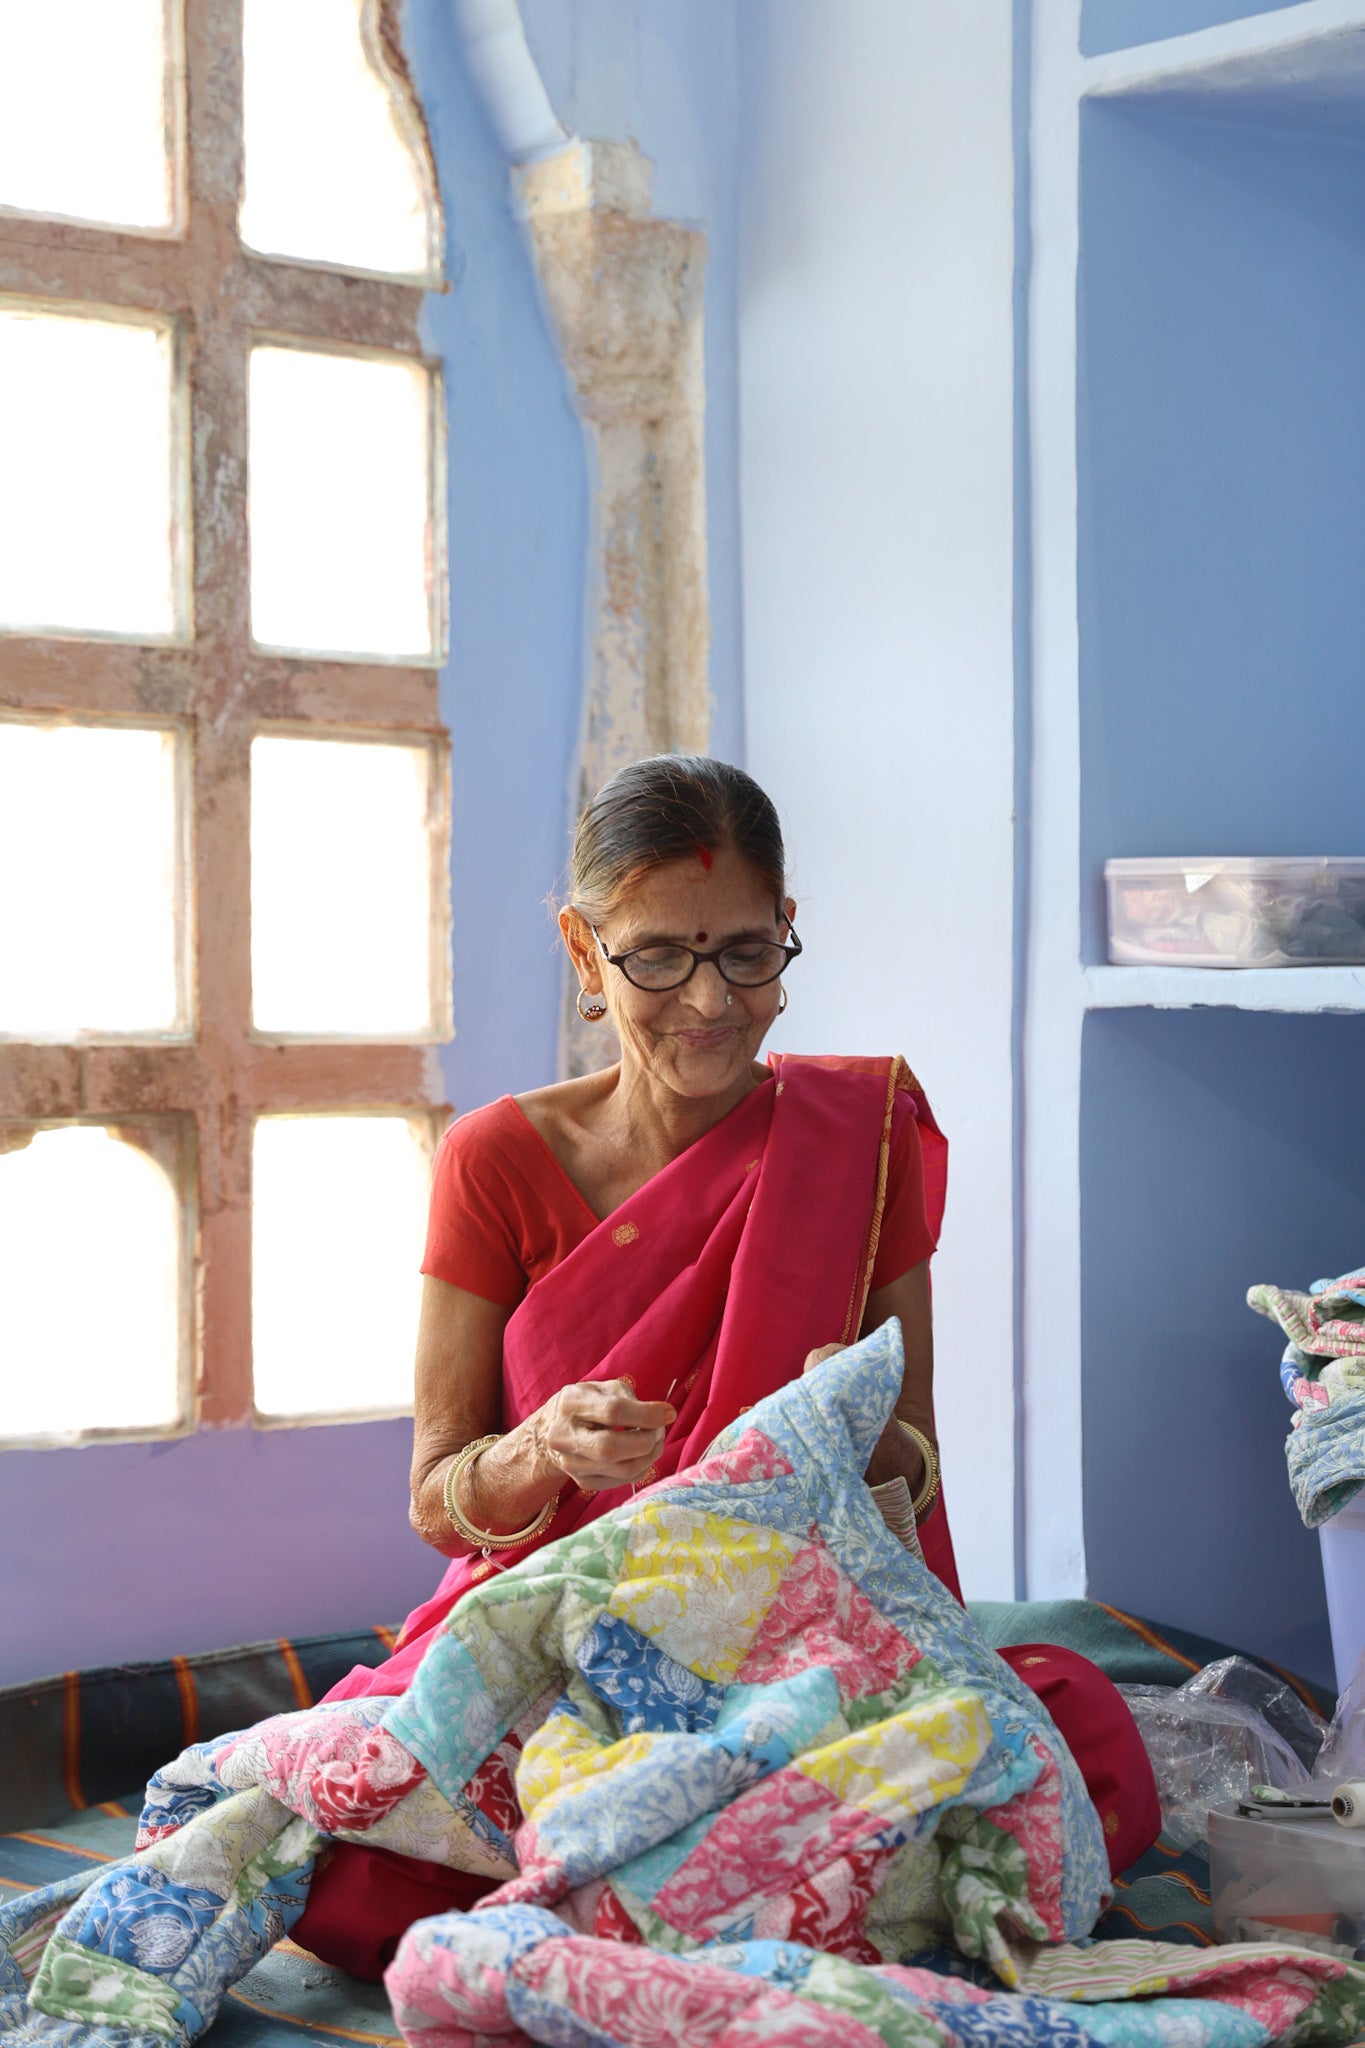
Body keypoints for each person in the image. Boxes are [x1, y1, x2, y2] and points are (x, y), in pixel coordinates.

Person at [293, 755, 1158, 1979]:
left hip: (795, 1645)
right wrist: (542, 1447)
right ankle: (746, 1895)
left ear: (787, 933)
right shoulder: (495, 1158)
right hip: (564, 1642)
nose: (707, 999)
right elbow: (440, 1490)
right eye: (656, 956)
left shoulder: (860, 1136)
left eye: (746, 952)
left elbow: (914, 1455)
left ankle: (669, 1898)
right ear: (585, 953)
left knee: (1078, 1733)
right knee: (346, 1860)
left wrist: (845, 1427)